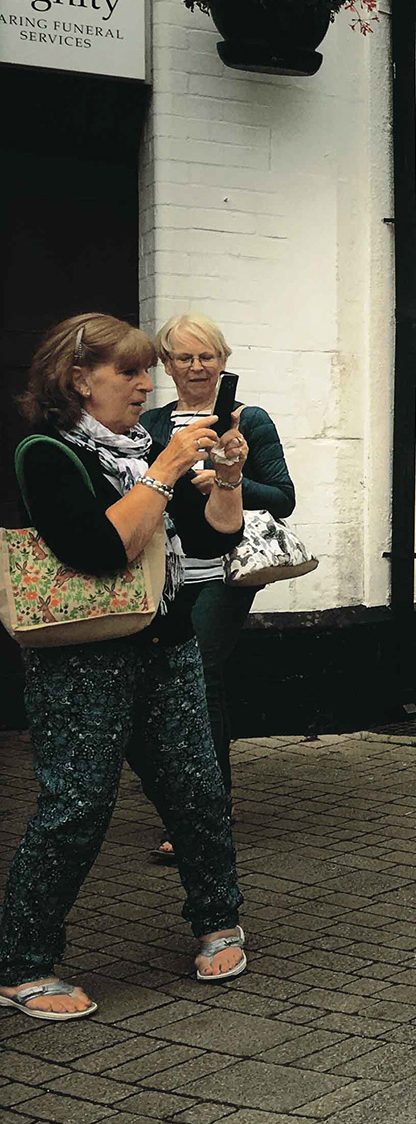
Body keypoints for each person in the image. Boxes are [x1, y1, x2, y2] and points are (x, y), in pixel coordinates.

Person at [1, 315, 249, 1021]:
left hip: (167, 644)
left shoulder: (142, 450)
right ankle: (22, 963)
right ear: (80, 379)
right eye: (130, 372)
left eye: (146, 371)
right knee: (77, 806)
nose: (147, 385)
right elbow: (98, 549)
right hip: (82, 659)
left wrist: (228, 476)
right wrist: (165, 472)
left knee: (197, 791)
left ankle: (218, 920)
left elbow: (216, 534)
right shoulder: (47, 454)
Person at [138, 315, 296, 862]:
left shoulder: (247, 419)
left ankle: (203, 813)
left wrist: (230, 480)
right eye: (184, 357)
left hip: (227, 569)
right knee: (198, 683)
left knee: (197, 674)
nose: (196, 367)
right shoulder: (151, 424)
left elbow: (283, 497)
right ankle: (207, 801)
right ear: (167, 365)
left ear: (223, 360)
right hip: (168, 571)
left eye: (206, 356)